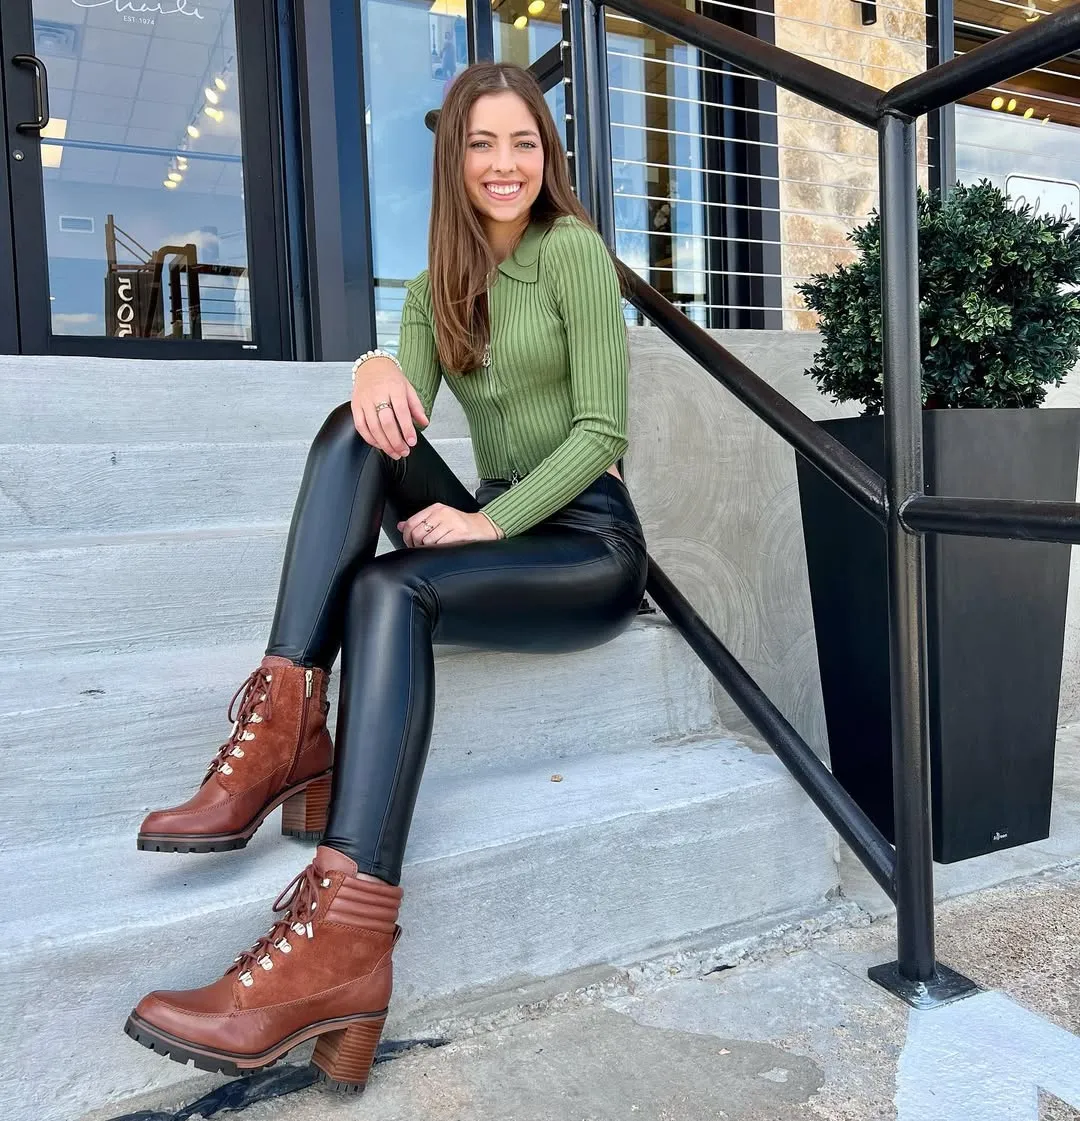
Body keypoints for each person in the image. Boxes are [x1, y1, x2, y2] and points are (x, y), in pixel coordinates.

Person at [123, 61, 648, 1093]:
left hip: (585, 543)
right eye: (483, 145)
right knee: (356, 437)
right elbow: (393, 409)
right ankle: (286, 729)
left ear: (547, 156)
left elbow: (602, 433)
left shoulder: (574, 254)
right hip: (499, 523)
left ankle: (337, 934)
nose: (506, 165)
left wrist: (486, 518)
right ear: (454, 161)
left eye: (524, 143)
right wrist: (371, 360)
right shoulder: (433, 285)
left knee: (390, 587)